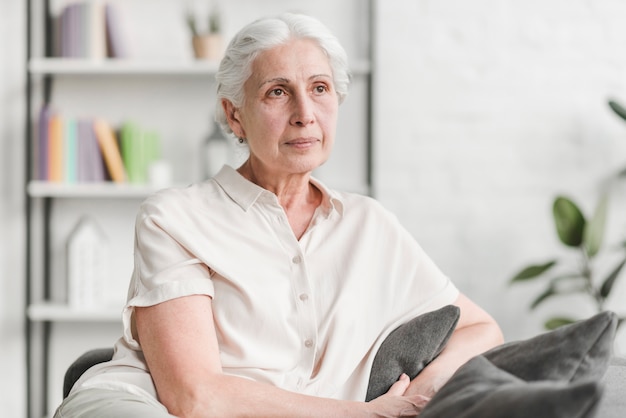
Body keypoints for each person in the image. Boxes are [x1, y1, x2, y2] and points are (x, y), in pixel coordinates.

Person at [54, 13, 503, 418]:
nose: (305, 115)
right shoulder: (174, 218)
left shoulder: (370, 225)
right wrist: (367, 415)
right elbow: (194, 397)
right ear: (235, 116)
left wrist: (415, 399)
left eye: (320, 89)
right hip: (143, 406)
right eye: (277, 92)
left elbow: (481, 329)